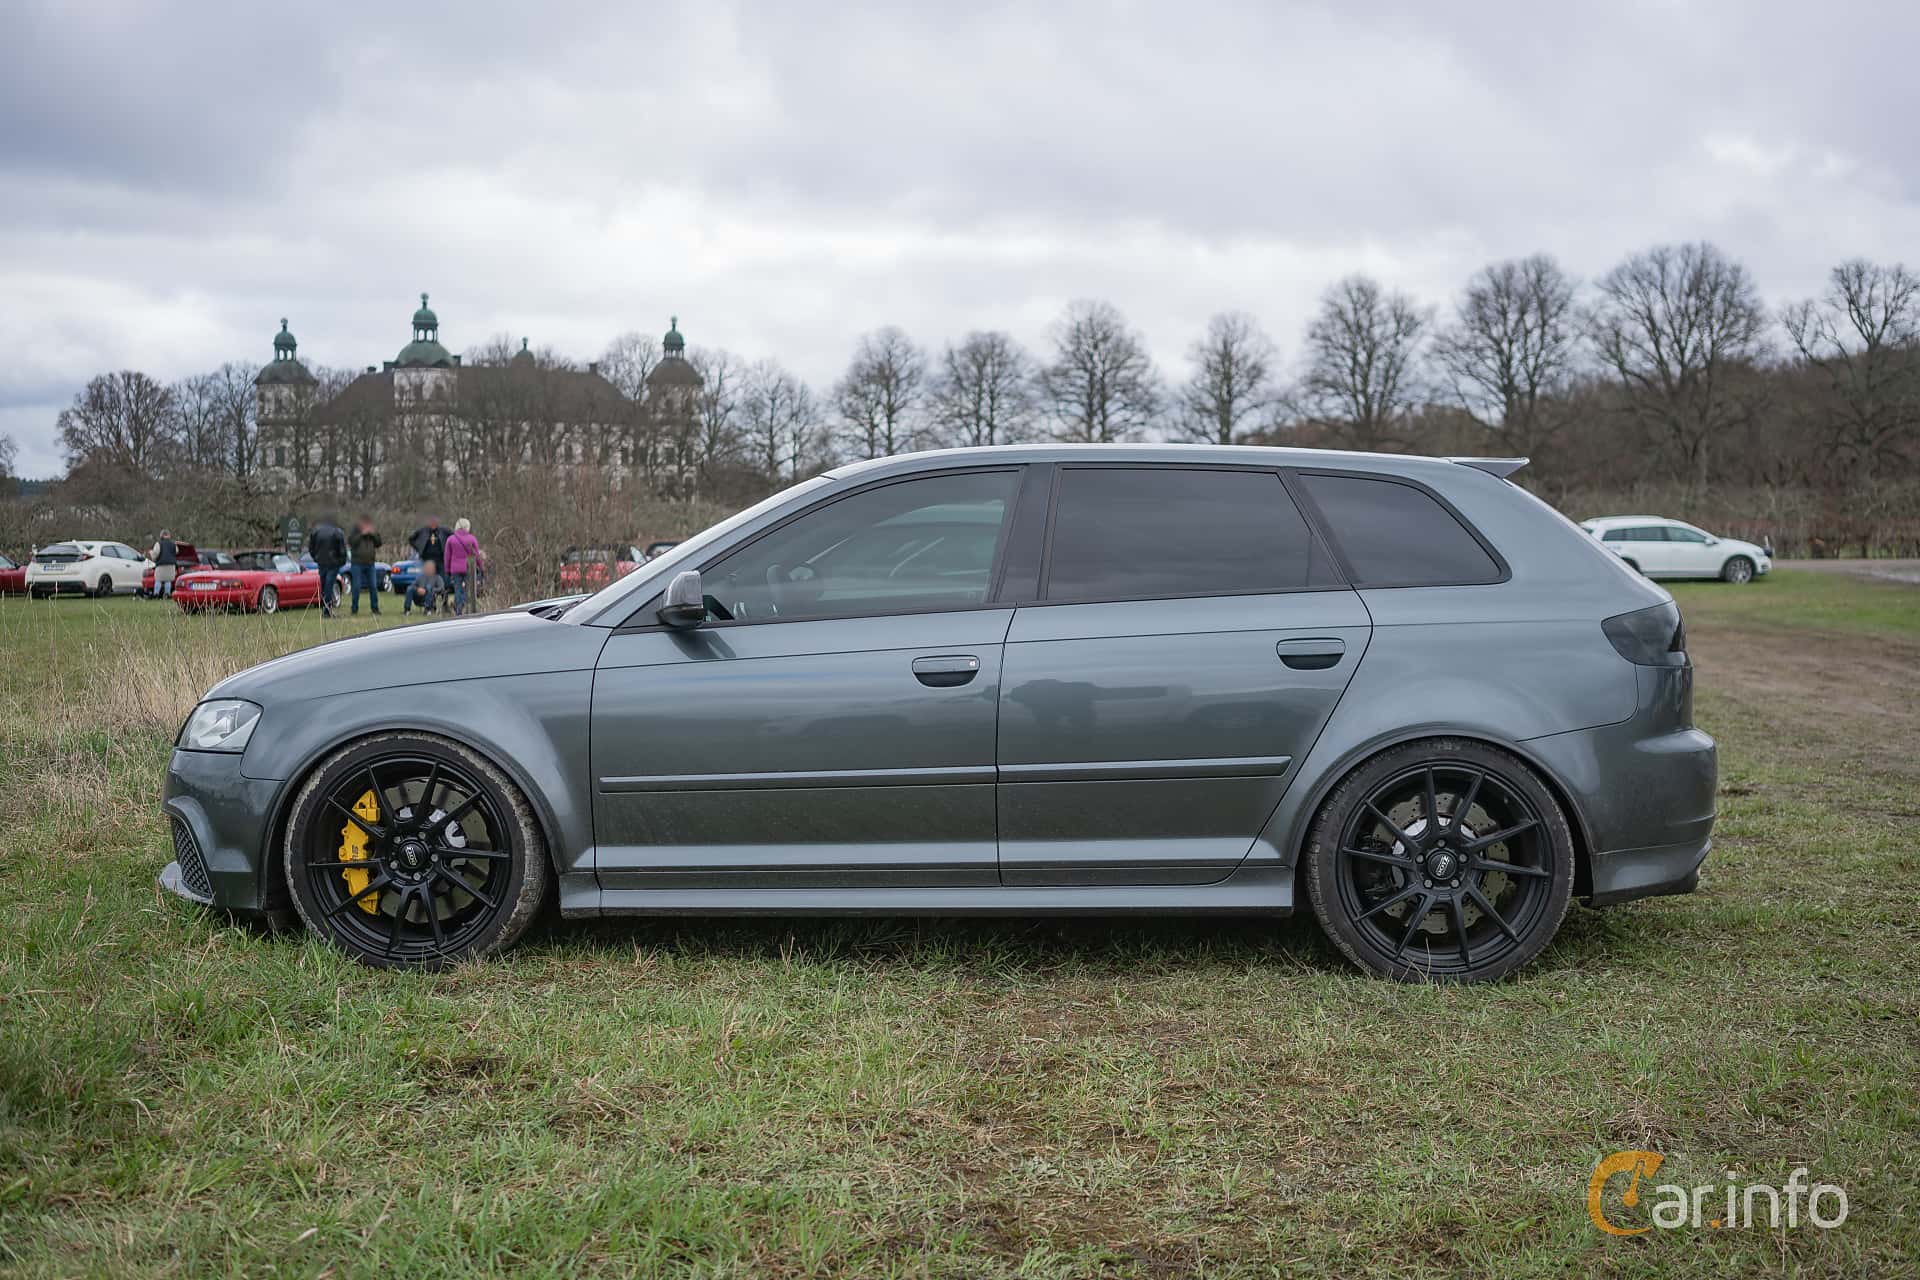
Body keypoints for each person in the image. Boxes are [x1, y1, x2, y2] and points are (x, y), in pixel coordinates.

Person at [307, 512, 348, 619]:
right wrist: (342, 561)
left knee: (324, 585)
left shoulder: (316, 531)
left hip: (321, 562)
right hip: (333, 563)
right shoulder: (337, 531)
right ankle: (326, 611)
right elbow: (342, 549)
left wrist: (316, 557)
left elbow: (311, 548)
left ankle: (325, 608)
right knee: (329, 586)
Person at [444, 518, 483, 616]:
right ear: (467, 527)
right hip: (468, 568)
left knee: (457, 590)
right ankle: (466, 608)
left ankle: (458, 611)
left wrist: (447, 569)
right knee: (469, 590)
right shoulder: (472, 539)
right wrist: (481, 567)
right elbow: (477, 555)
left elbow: (447, 556)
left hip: (455, 569)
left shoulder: (451, 539)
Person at [347, 516, 382, 616]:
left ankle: (375, 609)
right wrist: (362, 534)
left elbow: (379, 543)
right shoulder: (355, 531)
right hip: (357, 563)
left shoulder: (372, 531)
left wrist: (372, 534)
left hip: (370, 563)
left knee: (373, 586)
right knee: (357, 586)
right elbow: (351, 542)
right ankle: (354, 609)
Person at [147, 529, 178, 599]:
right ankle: (167, 594)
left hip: (161, 565)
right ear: (168, 535)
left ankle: (156, 594)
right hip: (171, 565)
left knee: (158, 580)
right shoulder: (173, 544)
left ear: (162, 535)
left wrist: (151, 553)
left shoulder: (158, 543)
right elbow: (176, 551)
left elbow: (156, 554)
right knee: (168, 580)